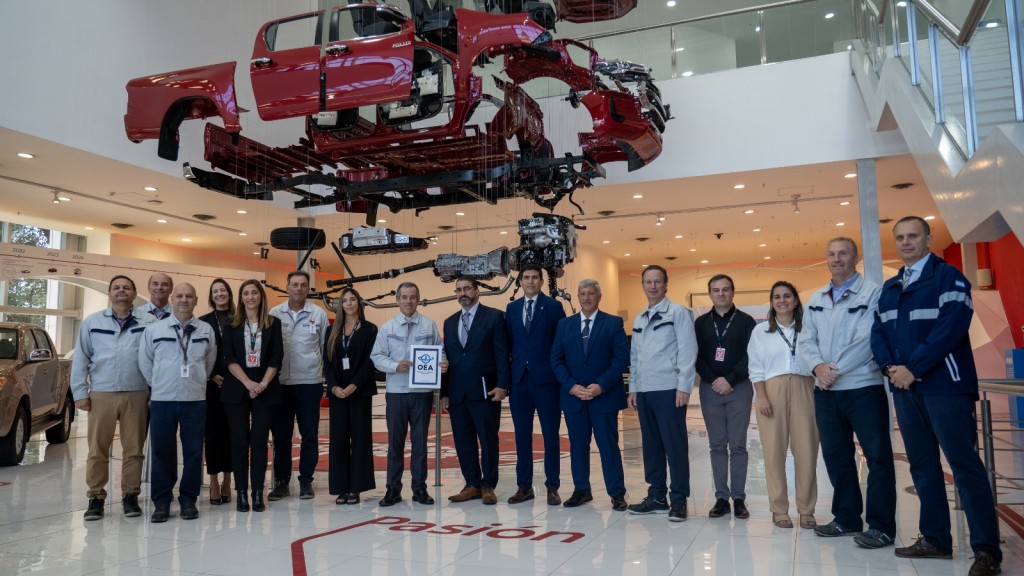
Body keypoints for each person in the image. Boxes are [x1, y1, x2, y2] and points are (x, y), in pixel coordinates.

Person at [871, 216, 1002, 576]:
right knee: (923, 466)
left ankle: (987, 551)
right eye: (900, 237)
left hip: (946, 387)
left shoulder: (949, 278)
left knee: (964, 467)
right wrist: (890, 368)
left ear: (928, 239)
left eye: (913, 235)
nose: (906, 242)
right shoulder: (890, 287)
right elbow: (877, 333)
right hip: (906, 389)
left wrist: (913, 368)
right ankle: (935, 538)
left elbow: (951, 328)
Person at [801, 237, 896, 548]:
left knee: (877, 457)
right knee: (836, 456)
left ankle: (881, 526)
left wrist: (832, 371)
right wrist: (818, 368)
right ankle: (846, 518)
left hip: (862, 387)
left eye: (843, 253)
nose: (837, 259)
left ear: (855, 257)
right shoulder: (816, 298)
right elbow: (806, 340)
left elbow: (867, 340)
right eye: (831, 254)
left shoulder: (872, 294)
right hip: (825, 391)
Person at [71, 275, 150, 521]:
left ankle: (130, 496)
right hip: (101, 394)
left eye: (126, 287)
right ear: (109, 293)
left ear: (134, 293)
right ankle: (95, 497)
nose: (121, 291)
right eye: (116, 287)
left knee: (134, 450)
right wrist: (80, 393)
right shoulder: (93, 322)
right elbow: (81, 359)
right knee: (97, 449)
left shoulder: (148, 322)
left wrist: (154, 392)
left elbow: (155, 358)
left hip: (137, 393)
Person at [139, 283, 217, 523]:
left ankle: (188, 499)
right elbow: (146, 362)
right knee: (162, 451)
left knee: (193, 452)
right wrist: (159, 384)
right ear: (172, 299)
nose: (184, 300)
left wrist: (195, 381)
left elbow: (209, 363)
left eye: (189, 296)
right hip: (162, 400)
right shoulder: (154, 330)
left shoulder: (205, 330)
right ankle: (162, 501)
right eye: (180, 296)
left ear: (196, 300)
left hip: (194, 399)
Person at [550, 279, 630, 510]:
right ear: (578, 297)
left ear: (599, 297)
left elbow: (621, 359)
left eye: (591, 293)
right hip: (574, 398)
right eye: (583, 293)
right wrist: (572, 386)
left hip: (603, 398)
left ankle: (617, 493)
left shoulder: (613, 323)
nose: (587, 297)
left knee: (608, 447)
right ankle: (582, 490)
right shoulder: (565, 325)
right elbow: (556, 360)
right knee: (578, 446)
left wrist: (601, 386)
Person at [627, 265, 698, 522]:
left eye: (657, 281)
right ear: (643, 285)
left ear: (666, 284)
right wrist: (633, 387)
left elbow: (688, 351)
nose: (653, 286)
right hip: (645, 391)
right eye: (648, 282)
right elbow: (635, 357)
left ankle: (678, 500)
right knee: (651, 446)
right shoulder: (639, 318)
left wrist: (684, 386)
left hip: (669, 390)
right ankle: (657, 497)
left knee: (674, 446)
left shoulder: (678, 313)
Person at [748, 281, 817, 530]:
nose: (782, 301)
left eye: (787, 296)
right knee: (773, 453)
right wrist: (762, 396)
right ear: (771, 302)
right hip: (772, 390)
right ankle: (779, 509)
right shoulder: (761, 331)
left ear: (796, 300)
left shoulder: (808, 328)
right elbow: (755, 366)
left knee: (807, 452)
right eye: (776, 297)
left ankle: (807, 510)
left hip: (805, 388)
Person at [371, 282, 444, 507]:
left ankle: (419, 488)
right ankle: (393, 489)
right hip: (396, 393)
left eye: (412, 297)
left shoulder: (428, 325)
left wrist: (443, 363)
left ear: (418, 299)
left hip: (422, 393)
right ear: (397, 300)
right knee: (395, 443)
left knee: (420, 443)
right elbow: (376, 356)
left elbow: (440, 351)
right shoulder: (388, 328)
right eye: (404, 297)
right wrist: (394, 366)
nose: (408, 301)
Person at [442, 277, 511, 505]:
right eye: (459, 290)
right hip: (457, 393)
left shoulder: (493, 317)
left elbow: (501, 353)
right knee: (463, 441)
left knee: (488, 440)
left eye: (467, 289)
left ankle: (488, 485)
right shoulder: (449, 322)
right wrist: (444, 392)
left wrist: (503, 385)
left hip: (485, 391)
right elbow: (447, 359)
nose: (463, 293)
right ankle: (471, 484)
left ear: (477, 291)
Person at [694, 274, 756, 519]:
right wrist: (714, 380)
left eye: (725, 289)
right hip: (710, 389)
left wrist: (729, 379)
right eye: (716, 290)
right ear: (710, 294)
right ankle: (721, 498)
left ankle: (739, 498)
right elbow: (696, 356)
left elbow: (751, 355)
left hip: (739, 388)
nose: (721, 293)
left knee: (738, 445)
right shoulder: (700, 323)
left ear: (732, 292)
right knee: (717, 445)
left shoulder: (746, 321)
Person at [505, 265, 566, 505]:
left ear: (541, 281)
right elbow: (508, 343)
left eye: (534, 278)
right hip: (519, 381)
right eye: (526, 277)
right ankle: (524, 486)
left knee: (550, 435)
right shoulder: (512, 309)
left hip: (547, 380)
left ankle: (552, 487)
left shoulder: (553, 307)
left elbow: (561, 342)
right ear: (520, 281)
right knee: (522, 436)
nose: (530, 281)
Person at [221, 279, 283, 513]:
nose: (250, 297)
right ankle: (241, 493)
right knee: (239, 442)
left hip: (265, 389)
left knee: (259, 441)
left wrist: (262, 384)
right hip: (237, 388)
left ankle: (257, 491)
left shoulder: (273, 323)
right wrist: (248, 383)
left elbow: (276, 357)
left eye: (254, 292)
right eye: (245, 293)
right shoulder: (231, 324)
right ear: (241, 298)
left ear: (261, 296)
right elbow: (228, 358)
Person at [268, 270, 329, 501]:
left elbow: (325, 348)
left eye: (303, 285)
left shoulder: (318, 314)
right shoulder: (274, 314)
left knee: (309, 434)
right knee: (281, 436)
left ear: (308, 288)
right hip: (280, 384)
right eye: (294, 284)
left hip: (309, 383)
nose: (299, 289)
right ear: (287, 287)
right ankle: (282, 482)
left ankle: (306, 481)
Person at [325, 287, 378, 505]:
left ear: (359, 303)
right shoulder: (332, 331)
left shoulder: (369, 329)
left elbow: (370, 362)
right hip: (337, 393)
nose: (348, 303)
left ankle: (356, 487)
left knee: (360, 439)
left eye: (352, 299)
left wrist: (353, 385)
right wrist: (334, 387)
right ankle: (341, 487)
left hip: (360, 392)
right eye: (344, 300)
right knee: (338, 441)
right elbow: (327, 362)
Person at [199, 278, 234, 506]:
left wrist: (232, 376)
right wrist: (212, 375)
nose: (220, 294)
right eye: (215, 291)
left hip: (236, 383)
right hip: (210, 385)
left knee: (233, 433)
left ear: (229, 294)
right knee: (211, 435)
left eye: (223, 290)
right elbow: (199, 353)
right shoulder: (203, 322)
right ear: (211, 297)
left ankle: (228, 480)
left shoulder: (240, 319)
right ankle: (212, 480)